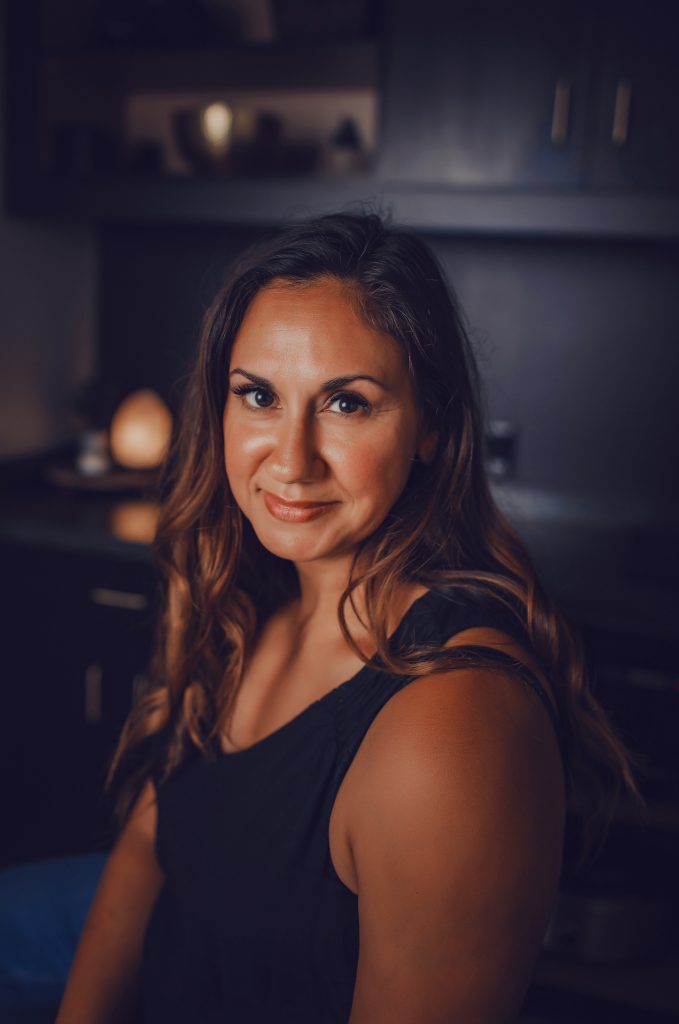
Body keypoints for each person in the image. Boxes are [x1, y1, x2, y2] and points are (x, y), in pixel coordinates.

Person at [56, 211, 642, 1023]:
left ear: (432, 426)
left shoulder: (451, 730)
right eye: (258, 395)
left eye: (346, 404)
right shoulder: (249, 599)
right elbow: (155, 840)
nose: (290, 460)